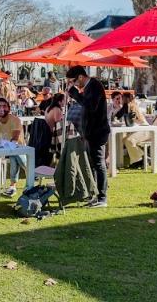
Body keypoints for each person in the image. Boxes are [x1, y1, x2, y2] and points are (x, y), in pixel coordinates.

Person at [66, 65, 110, 208]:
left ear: (80, 76)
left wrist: (74, 93)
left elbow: (90, 106)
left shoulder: (95, 86)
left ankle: (102, 198)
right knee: (93, 164)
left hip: (98, 131)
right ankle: (95, 195)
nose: (73, 84)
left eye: (73, 81)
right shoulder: (90, 87)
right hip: (91, 132)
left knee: (98, 164)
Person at [0, 98, 24, 197]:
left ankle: (13, 185)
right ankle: (29, 170)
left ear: (9, 108)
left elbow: (15, 139)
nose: (2, 109)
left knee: (14, 155)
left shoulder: (14, 119)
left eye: (4, 106)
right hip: (2, 149)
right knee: (14, 155)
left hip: (18, 147)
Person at [115, 92, 153, 168]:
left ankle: (140, 160)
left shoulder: (133, 106)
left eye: (122, 98)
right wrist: (117, 107)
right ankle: (141, 159)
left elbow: (138, 120)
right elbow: (117, 116)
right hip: (137, 130)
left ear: (127, 98)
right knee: (124, 140)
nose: (121, 99)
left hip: (145, 130)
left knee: (129, 140)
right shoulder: (126, 106)